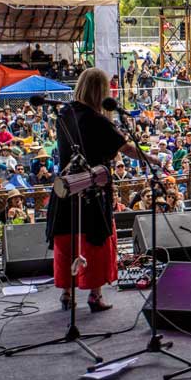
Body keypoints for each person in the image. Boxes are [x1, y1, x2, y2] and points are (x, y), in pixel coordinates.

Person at [47, 68, 155, 313]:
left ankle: (67, 294)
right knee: (95, 241)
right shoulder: (98, 121)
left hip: (67, 186)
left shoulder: (64, 114)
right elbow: (126, 149)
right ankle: (95, 296)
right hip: (93, 189)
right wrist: (152, 159)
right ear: (101, 92)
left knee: (69, 239)